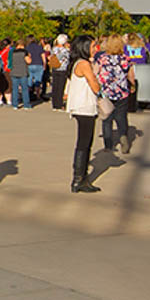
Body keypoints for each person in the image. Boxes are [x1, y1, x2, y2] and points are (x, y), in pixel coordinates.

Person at [67, 35, 102, 193]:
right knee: (84, 143)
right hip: (85, 106)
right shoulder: (84, 63)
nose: (95, 49)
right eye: (93, 46)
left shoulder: (78, 63)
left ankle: (81, 177)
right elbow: (95, 86)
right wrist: (97, 77)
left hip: (80, 106)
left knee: (85, 142)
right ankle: (78, 179)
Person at [96, 35, 134, 155]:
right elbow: (131, 75)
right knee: (121, 116)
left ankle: (108, 144)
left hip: (106, 92)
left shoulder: (102, 58)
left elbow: (95, 72)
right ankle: (123, 137)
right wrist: (132, 85)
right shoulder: (125, 59)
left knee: (107, 118)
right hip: (121, 91)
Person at [17, 36, 45, 109]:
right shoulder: (39, 47)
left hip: (30, 65)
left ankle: (28, 95)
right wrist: (44, 64)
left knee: (29, 81)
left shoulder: (27, 48)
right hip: (39, 64)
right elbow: (43, 56)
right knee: (38, 81)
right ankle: (38, 95)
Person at [50, 34, 72, 110]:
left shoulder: (53, 49)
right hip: (63, 69)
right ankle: (59, 104)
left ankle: (54, 104)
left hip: (55, 68)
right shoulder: (65, 50)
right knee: (61, 87)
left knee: (55, 87)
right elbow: (68, 58)